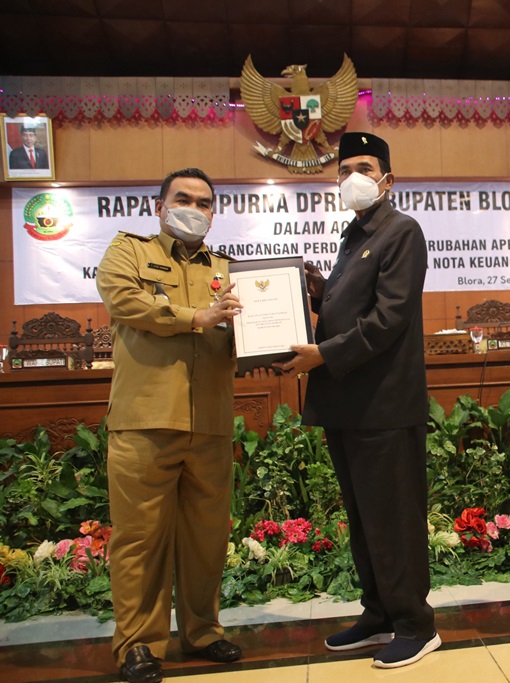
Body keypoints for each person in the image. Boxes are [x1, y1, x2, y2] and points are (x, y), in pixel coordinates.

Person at [277, 132, 439, 669]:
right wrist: (320, 291)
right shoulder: (356, 234)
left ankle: (416, 624)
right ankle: (379, 613)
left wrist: (321, 354)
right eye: (344, 168)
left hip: (386, 406)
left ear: (388, 179)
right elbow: (354, 304)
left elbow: (388, 320)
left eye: (364, 167)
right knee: (365, 518)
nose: (352, 177)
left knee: (394, 518)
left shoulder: (402, 231)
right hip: (350, 405)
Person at [96, 168, 243, 683]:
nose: (194, 208)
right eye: (183, 198)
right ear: (159, 207)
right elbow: (125, 302)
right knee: (140, 540)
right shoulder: (128, 253)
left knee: (207, 539)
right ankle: (138, 644)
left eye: (204, 203)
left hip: (210, 424)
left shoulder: (227, 268)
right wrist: (195, 317)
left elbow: (245, 333)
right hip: (145, 422)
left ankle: (203, 631)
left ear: (213, 213)